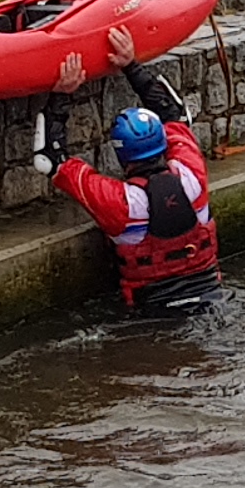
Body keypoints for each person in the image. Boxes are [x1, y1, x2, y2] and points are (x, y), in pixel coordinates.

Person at [51, 69, 219, 310]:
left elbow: (50, 160)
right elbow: (175, 115)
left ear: (121, 155)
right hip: (212, 296)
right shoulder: (193, 173)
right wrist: (132, 66)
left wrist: (60, 96)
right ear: (163, 141)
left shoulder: (118, 203)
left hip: (151, 311)